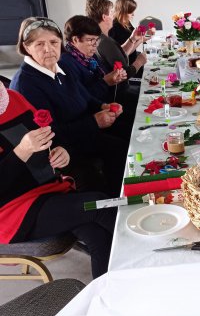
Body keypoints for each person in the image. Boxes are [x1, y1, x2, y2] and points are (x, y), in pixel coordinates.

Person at [0, 81, 115, 279]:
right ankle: (158, 254)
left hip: (48, 190)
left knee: (97, 235)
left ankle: (107, 298)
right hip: (13, 212)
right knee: (100, 204)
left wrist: (62, 153)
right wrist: (22, 151)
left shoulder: (12, 97)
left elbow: (50, 137)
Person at [10, 17, 128, 197]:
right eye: (40, 44)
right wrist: (94, 122)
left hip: (82, 133)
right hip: (61, 150)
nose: (48, 49)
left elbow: (85, 97)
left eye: (53, 42)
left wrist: (103, 105)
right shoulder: (26, 84)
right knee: (118, 153)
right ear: (26, 47)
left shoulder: (58, 68)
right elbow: (50, 133)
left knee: (129, 133)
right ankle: (117, 205)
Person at [85, 0, 148, 109]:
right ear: (105, 17)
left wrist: (133, 39)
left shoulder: (100, 37)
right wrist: (140, 61)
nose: (114, 16)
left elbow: (119, 55)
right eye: (111, 13)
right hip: (119, 97)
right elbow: (125, 74)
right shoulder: (104, 41)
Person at [60, 15, 127, 103]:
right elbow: (79, 99)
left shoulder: (90, 56)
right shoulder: (65, 63)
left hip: (107, 104)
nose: (95, 44)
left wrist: (115, 76)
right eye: (91, 40)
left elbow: (103, 78)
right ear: (75, 39)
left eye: (96, 40)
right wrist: (106, 82)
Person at [109, 0, 140, 70]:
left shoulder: (126, 22)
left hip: (131, 60)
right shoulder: (114, 27)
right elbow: (123, 53)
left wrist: (143, 37)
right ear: (123, 12)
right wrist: (141, 40)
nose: (133, 14)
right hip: (125, 67)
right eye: (130, 12)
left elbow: (133, 42)